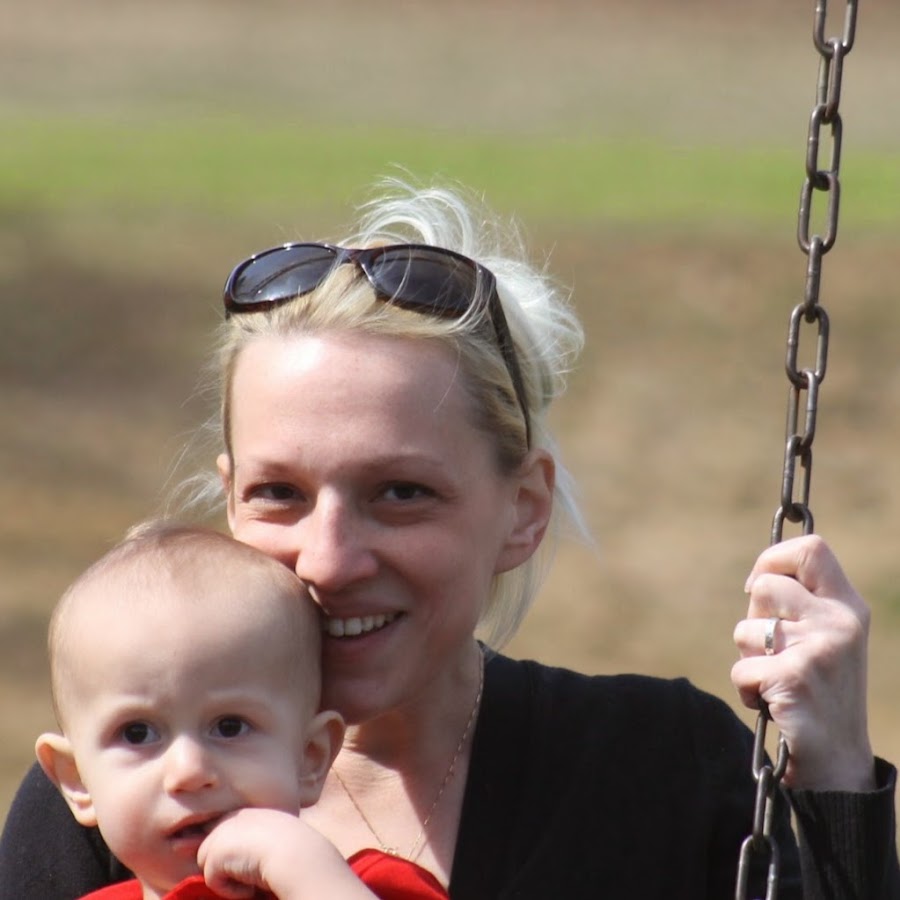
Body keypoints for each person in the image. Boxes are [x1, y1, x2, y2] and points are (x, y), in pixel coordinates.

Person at [2, 178, 898, 899]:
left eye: (401, 493)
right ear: (231, 496)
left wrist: (835, 775)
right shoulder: (124, 782)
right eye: (280, 493)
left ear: (524, 507)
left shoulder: (657, 768)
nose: (330, 559)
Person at [30, 521, 445, 900]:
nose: (189, 772)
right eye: (137, 733)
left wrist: (307, 875)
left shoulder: (367, 887)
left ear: (310, 757)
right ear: (77, 779)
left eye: (230, 727)